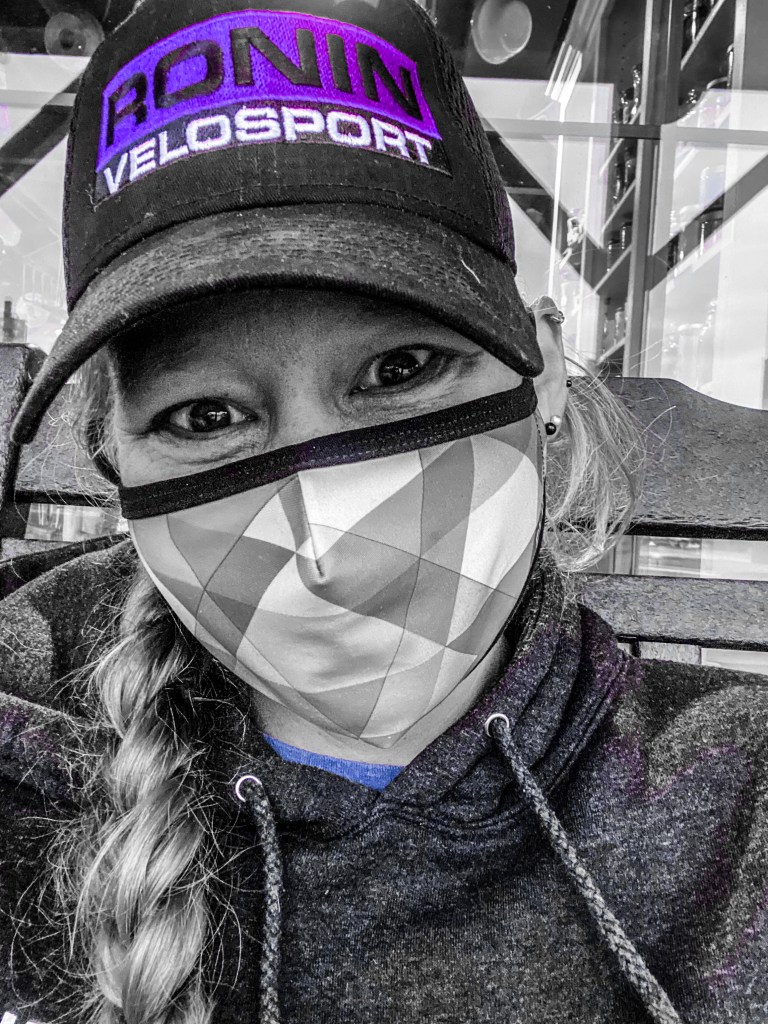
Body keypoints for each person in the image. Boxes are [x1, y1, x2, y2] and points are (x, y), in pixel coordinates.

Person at [0, 2, 765, 1023]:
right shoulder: (33, 777)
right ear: (111, 456)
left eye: (400, 368)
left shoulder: (740, 795)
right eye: (205, 416)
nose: (328, 541)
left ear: (539, 367)